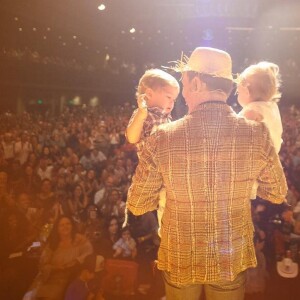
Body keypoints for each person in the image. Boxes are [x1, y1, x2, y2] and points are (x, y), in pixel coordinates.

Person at [126, 47, 288, 300]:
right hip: (230, 256)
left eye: (185, 83)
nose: (184, 93)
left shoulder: (162, 137)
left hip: (180, 256)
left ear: (198, 83)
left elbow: (137, 204)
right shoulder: (257, 133)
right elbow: (277, 193)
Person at [126, 68, 180, 233]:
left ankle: (168, 231)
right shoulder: (143, 113)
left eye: (174, 100)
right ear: (149, 94)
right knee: (146, 201)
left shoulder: (166, 117)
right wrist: (141, 114)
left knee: (168, 201)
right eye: (168, 97)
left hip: (168, 165)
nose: (172, 103)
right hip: (151, 166)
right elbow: (132, 137)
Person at [236, 61, 283, 199]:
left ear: (246, 90)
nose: (237, 94)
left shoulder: (251, 111)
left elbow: (235, 129)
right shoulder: (272, 107)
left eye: (238, 91)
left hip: (251, 163)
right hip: (266, 162)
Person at [24, 216, 93, 300]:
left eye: (68, 224)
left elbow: (89, 251)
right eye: (62, 225)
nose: (65, 227)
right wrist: (56, 268)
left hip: (67, 279)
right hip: (48, 278)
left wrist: (76, 261)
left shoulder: (79, 240)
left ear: (72, 226)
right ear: (57, 228)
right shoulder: (53, 243)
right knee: (30, 297)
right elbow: (43, 265)